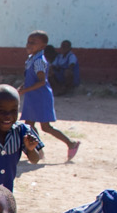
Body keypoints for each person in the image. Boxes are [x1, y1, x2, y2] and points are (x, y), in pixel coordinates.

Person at [20, 31, 79, 160]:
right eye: (28, 42)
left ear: (42, 46)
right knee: (29, 125)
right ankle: (38, 149)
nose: (29, 45)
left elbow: (41, 81)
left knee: (45, 126)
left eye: (33, 43)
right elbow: (31, 78)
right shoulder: (32, 59)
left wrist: (25, 90)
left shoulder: (39, 61)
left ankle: (70, 143)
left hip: (40, 97)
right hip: (32, 95)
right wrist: (23, 87)